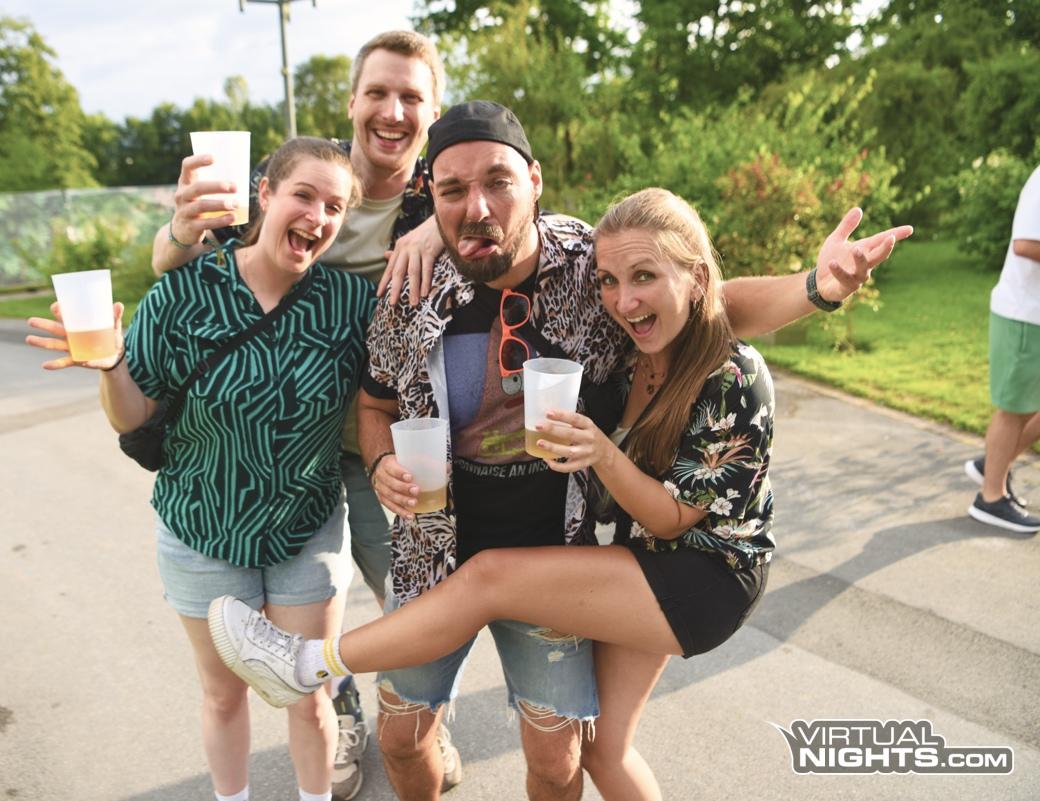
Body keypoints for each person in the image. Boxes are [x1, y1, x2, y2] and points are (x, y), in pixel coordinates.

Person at [204, 101, 912, 801]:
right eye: (452, 190)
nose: (477, 207)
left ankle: (304, 662)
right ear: (431, 198)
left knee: (559, 754)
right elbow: (375, 404)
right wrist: (383, 460)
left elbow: (710, 303)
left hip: (582, 550)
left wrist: (817, 288)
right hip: (440, 548)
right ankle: (307, 665)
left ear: (535, 181)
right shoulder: (411, 289)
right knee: (419, 738)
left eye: (498, 182)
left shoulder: (589, 267)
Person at [149, 31, 453, 798]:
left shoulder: (443, 192)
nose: (392, 111)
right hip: (298, 448)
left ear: (433, 113)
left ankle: (418, 723)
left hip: (392, 440)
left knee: (416, 602)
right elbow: (188, 266)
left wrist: (439, 223)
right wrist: (175, 231)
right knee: (316, 620)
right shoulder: (304, 178)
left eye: (411, 97)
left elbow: (511, 217)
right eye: (377, 92)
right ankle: (339, 712)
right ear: (351, 102)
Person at [27, 138, 373, 801]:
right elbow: (131, 418)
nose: (318, 216)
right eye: (303, 195)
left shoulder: (349, 304)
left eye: (334, 207)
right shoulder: (183, 293)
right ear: (265, 193)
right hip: (202, 529)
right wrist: (110, 366)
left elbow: (391, 391)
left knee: (308, 690)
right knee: (223, 694)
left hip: (306, 526)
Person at [966, 164, 1040, 533]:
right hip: (1024, 314)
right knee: (1014, 408)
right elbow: (1025, 244)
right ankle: (990, 498)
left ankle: (994, 461)